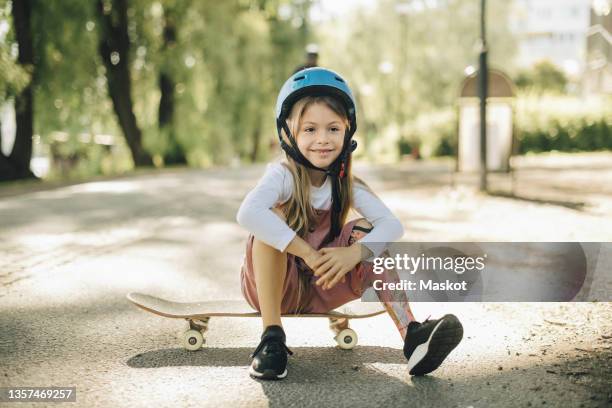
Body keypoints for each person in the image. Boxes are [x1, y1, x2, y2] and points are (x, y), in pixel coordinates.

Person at [236, 67, 463, 380]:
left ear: (347, 131)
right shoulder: (282, 176)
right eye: (310, 129)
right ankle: (271, 338)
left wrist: (354, 253)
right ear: (289, 132)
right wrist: (307, 253)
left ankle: (413, 336)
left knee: (368, 233)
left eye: (332, 129)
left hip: (324, 286)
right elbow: (247, 213)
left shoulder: (346, 184)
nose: (322, 140)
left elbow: (392, 225)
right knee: (268, 218)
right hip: (275, 290)